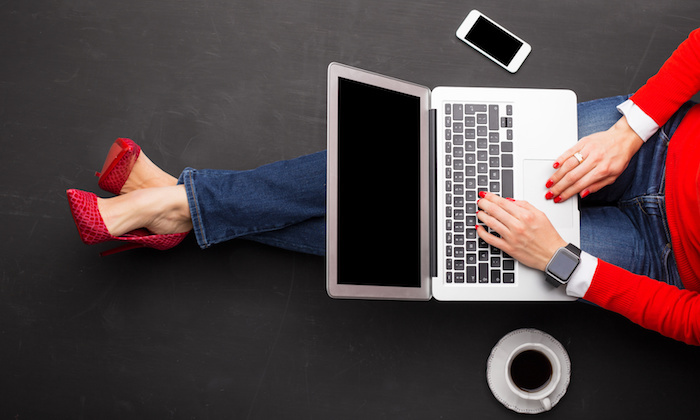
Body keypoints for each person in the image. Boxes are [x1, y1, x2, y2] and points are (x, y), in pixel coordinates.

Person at [67, 28, 700, 345]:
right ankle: (182, 208)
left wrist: (559, 263)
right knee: (421, 161)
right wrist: (632, 130)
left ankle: (179, 203)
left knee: (441, 249)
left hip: (658, 259)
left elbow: (690, 320)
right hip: (657, 145)